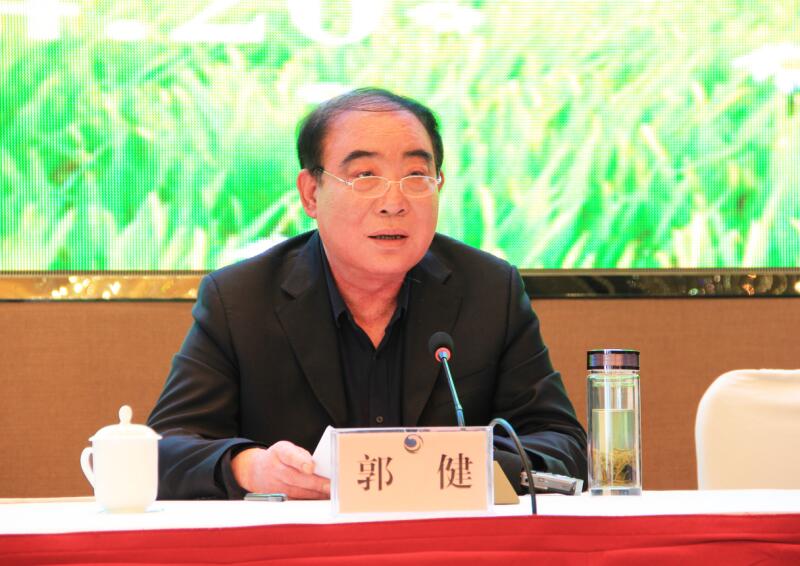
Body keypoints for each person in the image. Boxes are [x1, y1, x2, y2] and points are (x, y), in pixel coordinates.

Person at [147, 88, 587, 500]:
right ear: (311, 193)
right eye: (365, 176)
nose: (394, 202)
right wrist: (250, 467)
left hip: (445, 542)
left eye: (416, 175)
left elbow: (563, 444)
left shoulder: (489, 290)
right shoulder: (241, 300)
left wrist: (463, 465)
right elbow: (164, 450)